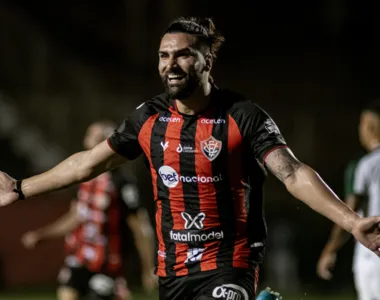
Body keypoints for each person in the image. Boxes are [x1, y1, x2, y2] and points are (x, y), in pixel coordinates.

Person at [1, 17, 380, 300]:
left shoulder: (242, 115)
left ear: (207, 60)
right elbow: (87, 164)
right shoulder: (148, 118)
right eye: (164, 55)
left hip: (230, 263)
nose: (171, 63)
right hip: (174, 272)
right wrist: (19, 188)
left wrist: (351, 222)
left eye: (184, 54)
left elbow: (293, 173)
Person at [20, 121, 157, 300]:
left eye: (97, 135)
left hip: (107, 263)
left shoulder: (121, 183)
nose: (90, 139)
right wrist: (42, 234)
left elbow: (140, 226)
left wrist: (149, 268)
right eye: (90, 134)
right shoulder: (83, 180)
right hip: (78, 256)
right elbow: (76, 216)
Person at [317, 100, 380, 300]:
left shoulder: (365, 165)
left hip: (373, 253)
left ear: (370, 126)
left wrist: (330, 249)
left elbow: (349, 211)